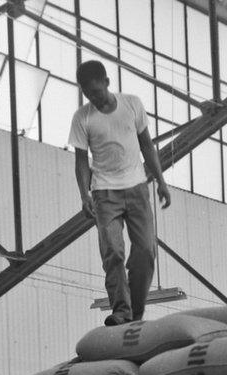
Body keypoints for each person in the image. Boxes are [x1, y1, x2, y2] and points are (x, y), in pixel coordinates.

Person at [68, 59, 171, 327]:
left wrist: (161, 181)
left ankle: (135, 312)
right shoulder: (82, 118)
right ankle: (121, 310)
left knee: (146, 251)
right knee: (113, 251)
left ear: (107, 83)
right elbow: (81, 161)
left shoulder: (132, 105)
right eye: (88, 94)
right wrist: (84, 195)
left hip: (136, 187)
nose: (94, 98)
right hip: (104, 192)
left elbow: (147, 146)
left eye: (97, 91)